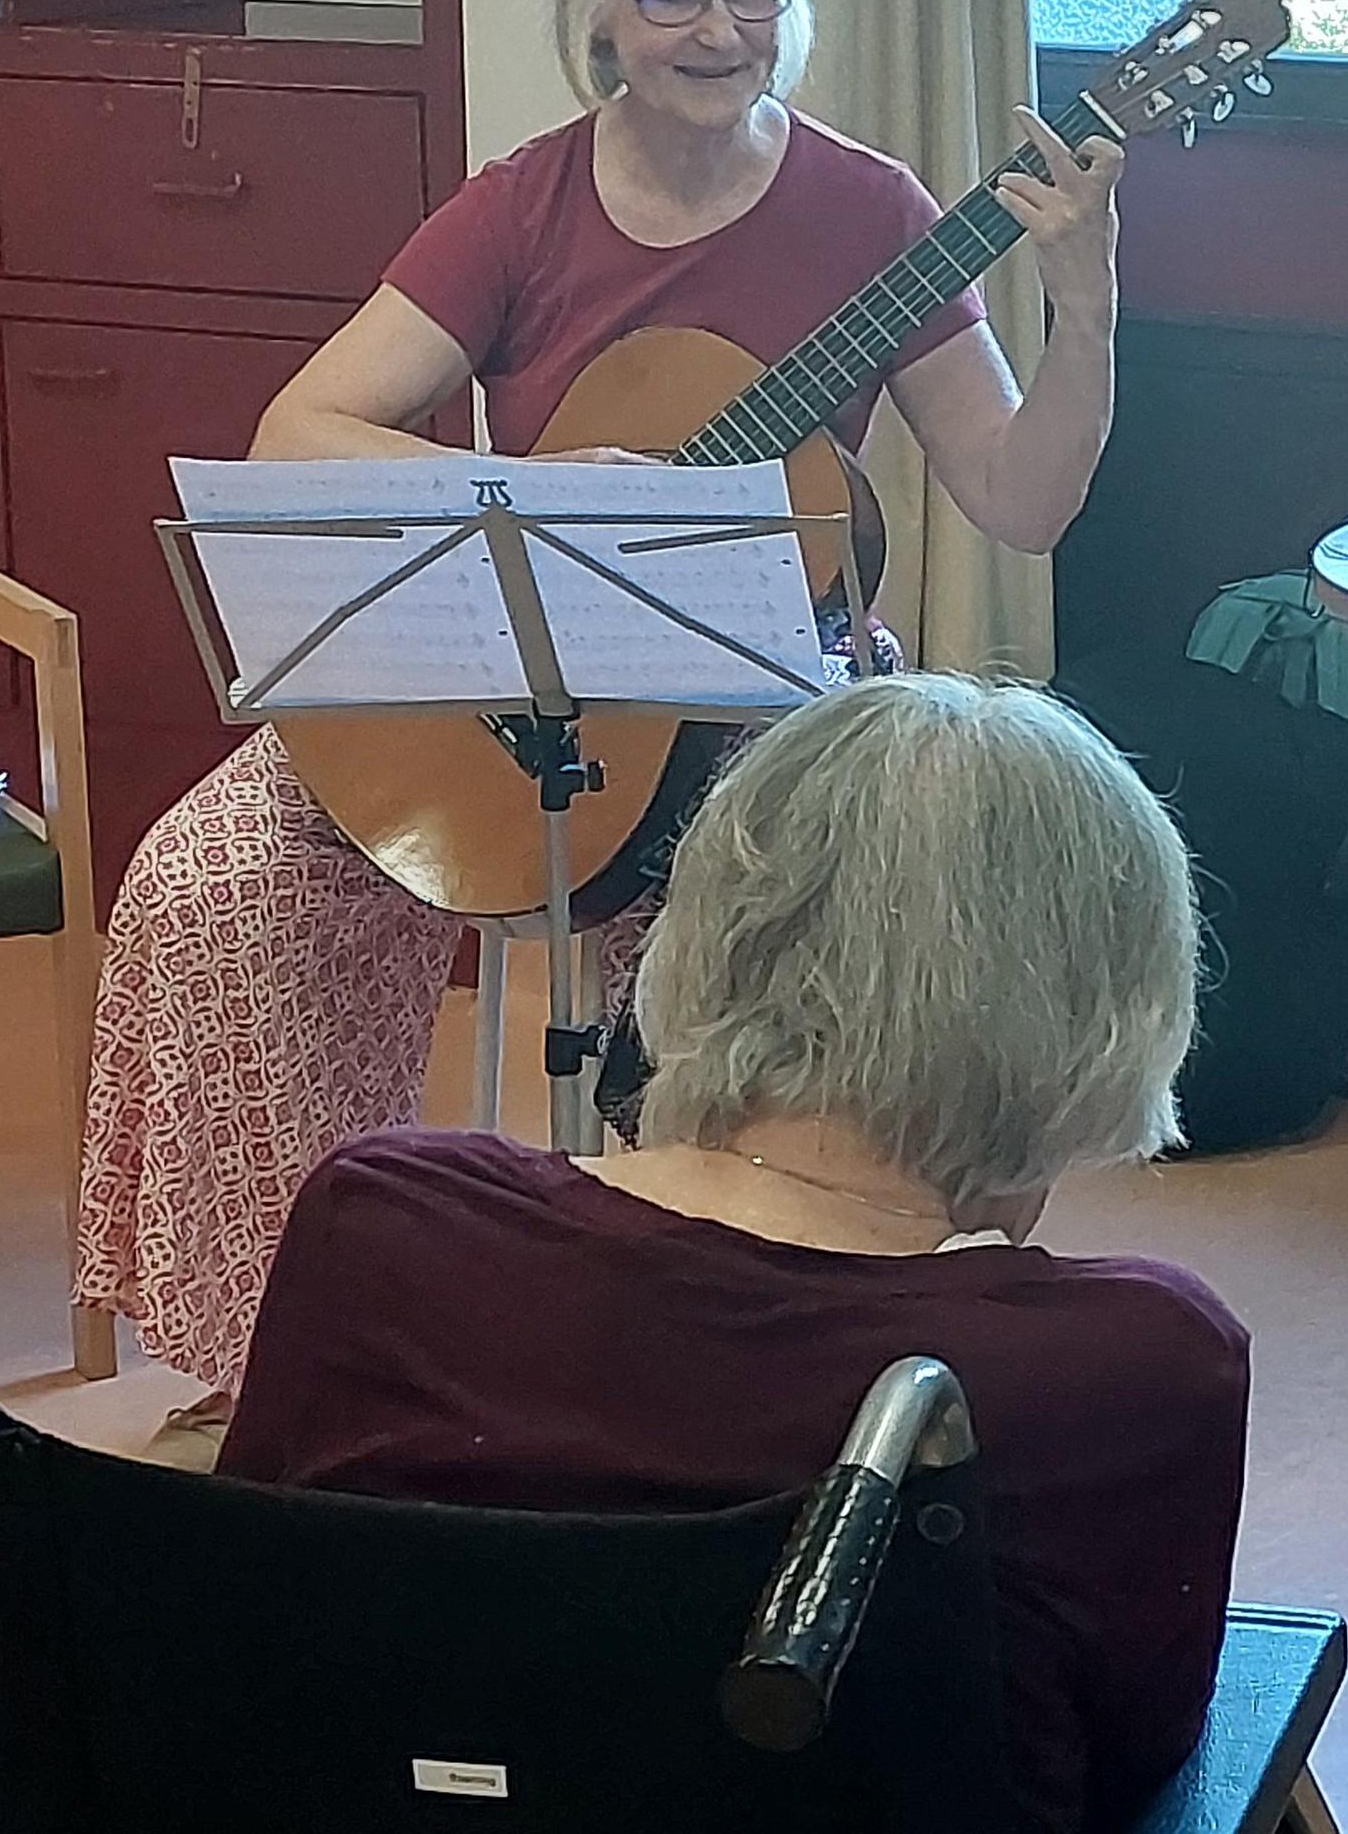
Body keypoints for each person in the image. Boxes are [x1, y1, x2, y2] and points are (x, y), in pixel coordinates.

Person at [76, 0, 1128, 1431]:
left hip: (773, 696)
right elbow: (301, 430)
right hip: (518, 675)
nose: (720, 31)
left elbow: (1020, 499)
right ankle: (291, 1349)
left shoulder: (874, 211)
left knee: (759, 915)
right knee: (216, 881)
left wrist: (1087, 307)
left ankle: (699, 1350)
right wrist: (545, 486)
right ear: (602, 20)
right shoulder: (523, 206)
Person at [221, 673, 1243, 1834]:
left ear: (707, 928)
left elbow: (238, 1624)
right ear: (1104, 1017)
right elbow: (1136, 1759)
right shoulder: (1132, 1367)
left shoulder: (385, 1225)